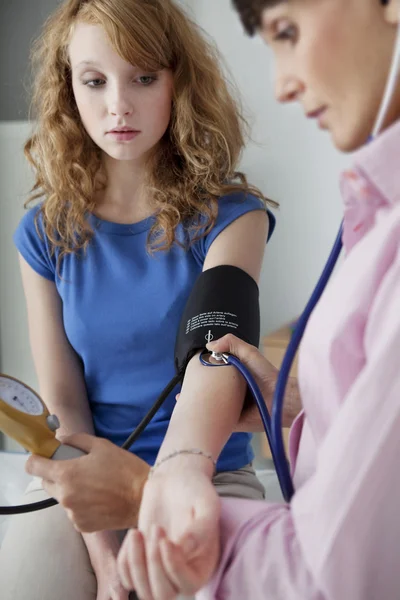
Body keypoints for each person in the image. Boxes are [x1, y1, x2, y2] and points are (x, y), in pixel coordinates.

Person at [102, 0, 400, 598]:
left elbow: (337, 577)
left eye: (287, 32)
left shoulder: (236, 216)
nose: (282, 85)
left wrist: (146, 492)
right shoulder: (376, 214)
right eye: (92, 80)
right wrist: (291, 407)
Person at [0, 1, 278, 599]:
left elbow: (217, 359)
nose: (118, 105)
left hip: (205, 473)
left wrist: (163, 492)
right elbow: (64, 402)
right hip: (84, 474)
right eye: (94, 81)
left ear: (180, 82)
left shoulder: (233, 218)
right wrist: (105, 558)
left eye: (144, 77)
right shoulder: (42, 234)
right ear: (67, 88)